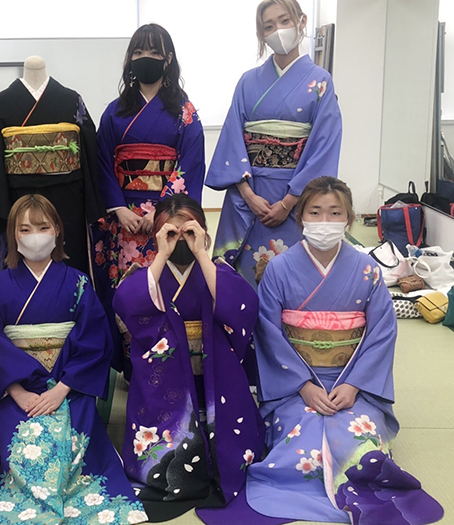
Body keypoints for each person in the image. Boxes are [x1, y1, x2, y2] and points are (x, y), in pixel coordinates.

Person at [247, 177, 443, 524]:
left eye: (334, 212)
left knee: (359, 440)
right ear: (301, 217)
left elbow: (382, 334)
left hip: (353, 383)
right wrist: (304, 387)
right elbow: (268, 333)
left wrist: (354, 385)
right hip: (294, 384)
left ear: (349, 218)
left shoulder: (367, 270)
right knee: (301, 443)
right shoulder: (278, 268)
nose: (325, 221)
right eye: (315, 212)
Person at [0, 195, 147, 524]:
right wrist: (17, 391)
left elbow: (95, 341)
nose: (35, 236)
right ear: (13, 234)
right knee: (18, 443)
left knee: (70, 442)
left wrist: (61, 389)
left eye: (43, 227)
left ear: (57, 230)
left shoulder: (78, 283)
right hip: (15, 388)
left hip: (69, 385)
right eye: (25, 229)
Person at [113, 194, 264, 522]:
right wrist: (161, 255)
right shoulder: (149, 273)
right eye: (171, 232)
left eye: (189, 231)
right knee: (164, 447)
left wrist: (201, 253)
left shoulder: (215, 270)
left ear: (203, 231)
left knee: (232, 447)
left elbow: (243, 306)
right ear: (158, 234)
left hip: (215, 374)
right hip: (166, 381)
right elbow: (127, 303)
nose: (180, 238)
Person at [205, 0, 342, 288]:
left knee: (293, 281)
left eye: (284, 21)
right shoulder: (247, 82)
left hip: (297, 196)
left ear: (301, 21)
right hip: (250, 194)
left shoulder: (320, 82)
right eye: (269, 26)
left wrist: (288, 202)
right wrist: (248, 195)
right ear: (261, 34)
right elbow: (232, 139)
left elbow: (324, 146)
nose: (278, 30)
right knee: (243, 280)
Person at [94, 23, 205, 375]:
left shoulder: (184, 112)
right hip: (124, 219)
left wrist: (162, 212)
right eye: (139, 52)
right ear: (130, 59)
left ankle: (167, 360)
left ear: (168, 59)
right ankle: (132, 364)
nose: (146, 58)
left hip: (166, 219)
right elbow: (102, 163)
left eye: (154, 52)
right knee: (127, 289)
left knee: (166, 286)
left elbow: (190, 163)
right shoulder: (114, 112)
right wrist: (118, 208)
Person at [0, 56, 103, 279]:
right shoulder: (1, 103)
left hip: (67, 198)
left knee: (69, 260)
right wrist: (0, 204)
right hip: (17, 195)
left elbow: (88, 151)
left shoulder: (71, 100)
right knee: (18, 262)